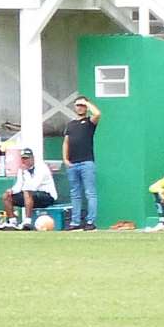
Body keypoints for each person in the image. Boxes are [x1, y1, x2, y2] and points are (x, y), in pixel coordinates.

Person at [60, 96, 101, 230]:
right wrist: (65, 159)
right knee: (75, 194)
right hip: (73, 163)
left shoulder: (89, 122)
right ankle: (75, 222)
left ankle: (90, 222)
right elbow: (66, 142)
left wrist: (87, 103)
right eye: (78, 105)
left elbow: (97, 114)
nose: (80, 107)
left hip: (86, 162)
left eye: (82, 105)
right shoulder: (71, 125)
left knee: (90, 193)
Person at [3, 149, 57, 228]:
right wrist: (12, 190)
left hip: (47, 196)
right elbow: (18, 185)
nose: (25, 160)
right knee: (6, 196)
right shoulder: (21, 169)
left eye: (27, 158)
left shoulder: (41, 168)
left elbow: (33, 186)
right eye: (23, 158)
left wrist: (26, 172)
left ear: (32, 158)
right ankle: (13, 221)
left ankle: (27, 221)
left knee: (27, 192)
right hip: (30, 196)